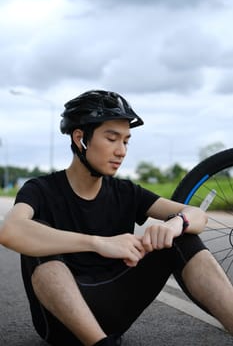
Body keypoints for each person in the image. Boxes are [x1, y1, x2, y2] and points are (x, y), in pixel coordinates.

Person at [0, 90, 233, 346]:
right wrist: (98, 242)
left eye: (126, 141)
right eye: (112, 139)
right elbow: (10, 231)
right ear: (81, 139)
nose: (121, 151)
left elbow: (198, 216)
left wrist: (177, 222)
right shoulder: (41, 189)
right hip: (60, 321)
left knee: (183, 237)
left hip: (116, 309)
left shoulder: (126, 192)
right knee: (35, 233)